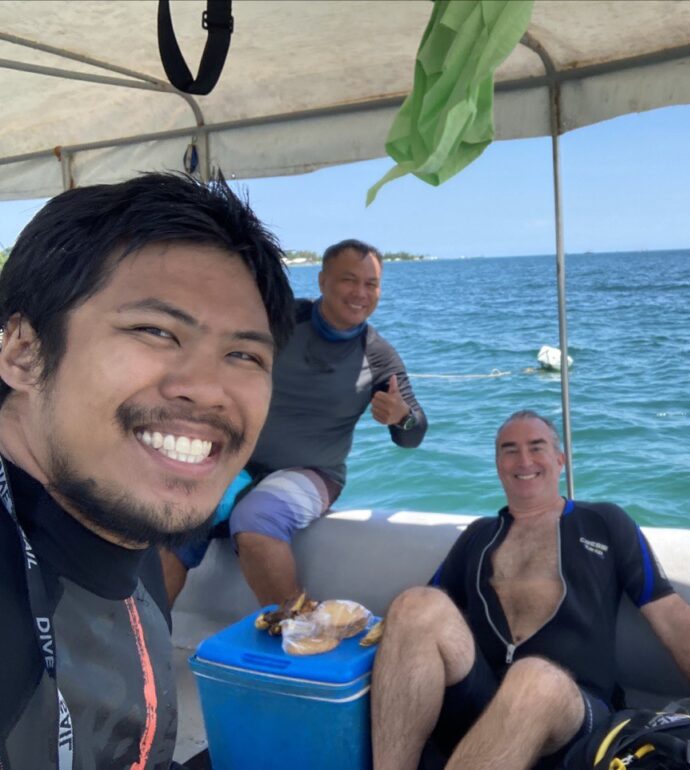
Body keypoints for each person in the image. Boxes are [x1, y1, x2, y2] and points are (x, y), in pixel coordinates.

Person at [0, 173, 293, 769]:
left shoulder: (125, 517)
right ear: (23, 352)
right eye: (156, 331)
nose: (208, 390)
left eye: (244, 354)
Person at [370, 410, 690, 770]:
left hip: (572, 714)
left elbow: (672, 617)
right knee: (414, 604)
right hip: (480, 700)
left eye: (536, 446)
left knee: (533, 677)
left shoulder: (604, 523)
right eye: (509, 449)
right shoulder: (479, 536)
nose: (523, 459)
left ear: (560, 460)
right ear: (498, 463)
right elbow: (419, 628)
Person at [161, 238, 428, 607]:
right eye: (349, 280)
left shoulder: (378, 356)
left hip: (315, 473)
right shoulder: (281, 322)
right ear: (322, 282)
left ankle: (302, 632)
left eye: (371, 284)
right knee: (180, 520)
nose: (361, 293)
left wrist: (403, 417)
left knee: (255, 520)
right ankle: (144, 643)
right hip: (240, 461)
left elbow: (413, 435)